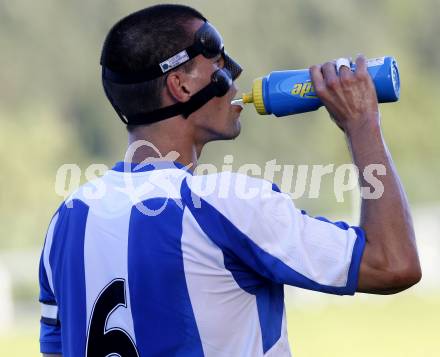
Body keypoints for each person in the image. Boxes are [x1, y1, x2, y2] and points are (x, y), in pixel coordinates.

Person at [39, 4, 421, 357]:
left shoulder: (68, 217)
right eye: (218, 61)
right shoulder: (225, 203)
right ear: (181, 86)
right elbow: (393, 263)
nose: (235, 73)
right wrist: (362, 125)